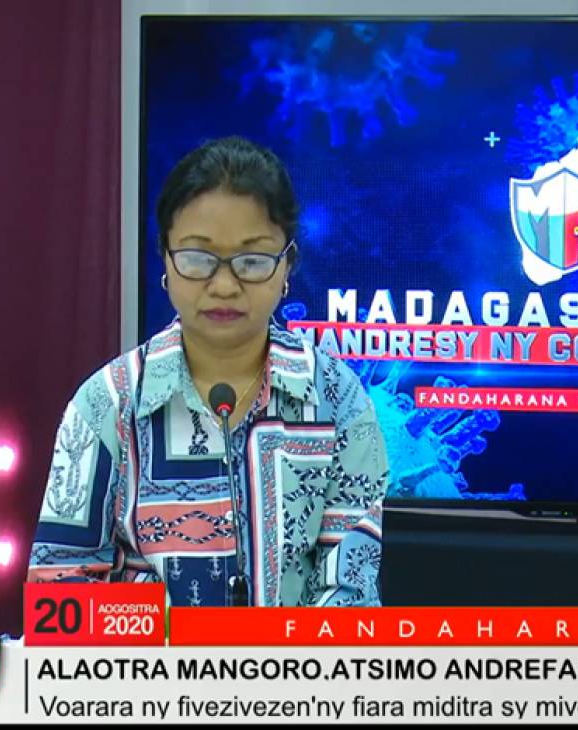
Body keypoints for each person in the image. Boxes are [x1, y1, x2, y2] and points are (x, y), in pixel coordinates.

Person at [28, 137, 389, 607]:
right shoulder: (107, 403)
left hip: (303, 658)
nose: (223, 285)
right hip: (142, 657)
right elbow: (60, 589)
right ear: (165, 259)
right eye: (198, 259)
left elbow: (350, 593)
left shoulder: (340, 400)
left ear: (288, 266)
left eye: (252, 261)